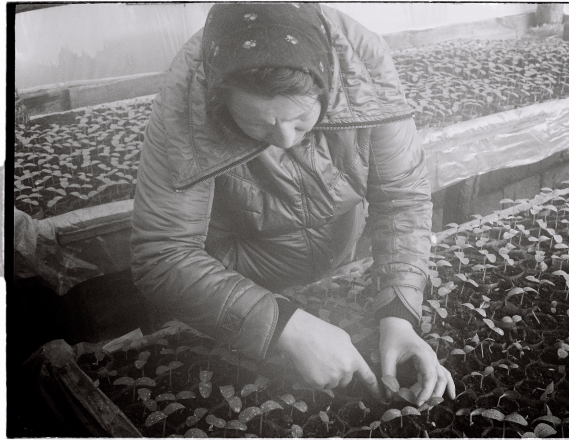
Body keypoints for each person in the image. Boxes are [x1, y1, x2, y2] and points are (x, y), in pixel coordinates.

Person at [130, 3, 455, 406]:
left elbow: (402, 198)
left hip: (336, 260)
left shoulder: (361, 67)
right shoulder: (185, 103)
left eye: (301, 119)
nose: (285, 139)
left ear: (326, 83)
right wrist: (285, 326)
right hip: (236, 286)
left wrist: (399, 314)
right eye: (259, 124)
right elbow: (162, 253)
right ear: (220, 100)